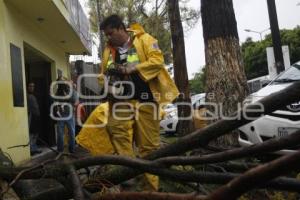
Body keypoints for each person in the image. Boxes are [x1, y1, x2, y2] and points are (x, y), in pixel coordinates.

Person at [97, 14, 179, 191]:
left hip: (146, 101)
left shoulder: (145, 39)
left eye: (111, 33)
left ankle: (150, 191)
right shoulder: (107, 50)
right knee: (117, 134)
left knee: (149, 148)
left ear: (121, 28)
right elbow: (103, 73)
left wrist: (132, 68)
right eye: (106, 35)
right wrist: (104, 84)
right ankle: (129, 178)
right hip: (119, 103)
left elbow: (157, 61)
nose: (109, 38)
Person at [53, 78, 77, 153]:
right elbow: (55, 100)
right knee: (60, 134)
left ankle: (72, 149)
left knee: (72, 133)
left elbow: (74, 99)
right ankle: (60, 150)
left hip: (69, 114)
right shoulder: (58, 91)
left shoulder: (70, 89)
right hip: (61, 115)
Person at [27, 81, 42, 155]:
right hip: (31, 116)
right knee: (31, 133)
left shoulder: (33, 95)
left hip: (36, 116)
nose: (32, 87)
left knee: (36, 133)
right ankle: (32, 149)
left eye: (33, 86)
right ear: (27, 87)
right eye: (30, 86)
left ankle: (34, 148)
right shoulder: (27, 95)